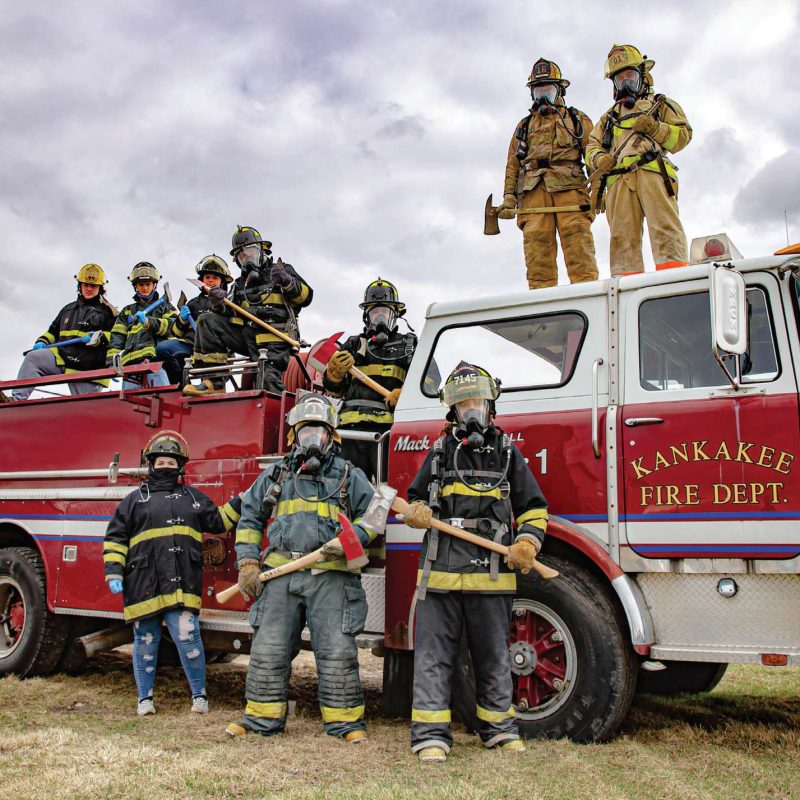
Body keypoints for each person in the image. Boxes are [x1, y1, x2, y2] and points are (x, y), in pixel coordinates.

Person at [401, 362, 548, 762]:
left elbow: (533, 507)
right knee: (433, 658)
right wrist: (415, 511)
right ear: (452, 411)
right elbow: (416, 500)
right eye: (463, 404)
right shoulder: (438, 453)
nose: (471, 411)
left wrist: (528, 544)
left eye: (476, 403)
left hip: (492, 578)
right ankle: (430, 735)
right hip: (441, 577)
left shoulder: (506, 454)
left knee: (494, 657)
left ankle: (499, 729)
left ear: (490, 407)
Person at [226, 392, 378, 741]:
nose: (313, 439)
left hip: (332, 576)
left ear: (331, 437)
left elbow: (374, 517)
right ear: (294, 435)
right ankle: (261, 720)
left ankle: (345, 725)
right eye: (307, 431)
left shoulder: (348, 476)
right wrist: (248, 561)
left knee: (337, 651)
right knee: (268, 650)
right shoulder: (276, 475)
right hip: (280, 577)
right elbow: (249, 517)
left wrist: (352, 538)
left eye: (320, 432)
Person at [102, 430, 242, 715]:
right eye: (160, 463)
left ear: (180, 466)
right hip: (143, 584)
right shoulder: (133, 501)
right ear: (151, 465)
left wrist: (243, 499)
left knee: (188, 637)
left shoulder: (193, 498)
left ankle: (199, 697)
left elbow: (219, 521)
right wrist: (114, 572)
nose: (165, 467)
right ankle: (145, 699)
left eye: (171, 463)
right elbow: (115, 539)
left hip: (182, 584)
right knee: (145, 641)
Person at [586, 44, 692, 274]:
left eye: (630, 76)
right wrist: (600, 159)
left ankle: (675, 284)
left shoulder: (661, 105)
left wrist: (655, 128)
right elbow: (591, 147)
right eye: (619, 78)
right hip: (618, 183)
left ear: (642, 76)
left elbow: (682, 137)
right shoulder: (608, 118)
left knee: (665, 231)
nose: (625, 83)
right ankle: (629, 296)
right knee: (622, 241)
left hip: (654, 174)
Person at [497, 58, 598, 289]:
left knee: (579, 252)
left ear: (559, 91)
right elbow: (513, 165)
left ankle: (587, 301)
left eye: (548, 90)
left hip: (571, 194)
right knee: (537, 256)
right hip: (533, 196)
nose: (543, 96)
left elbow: (593, 155)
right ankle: (544, 314)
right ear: (532, 93)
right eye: (539, 90)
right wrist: (508, 198)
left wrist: (599, 193)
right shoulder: (524, 127)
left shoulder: (576, 120)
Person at [183, 226, 312, 396]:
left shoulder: (282, 270)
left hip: (275, 339)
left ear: (261, 250)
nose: (247, 257)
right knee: (207, 319)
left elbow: (306, 297)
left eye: (250, 251)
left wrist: (288, 283)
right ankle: (213, 382)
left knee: (267, 381)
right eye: (241, 255)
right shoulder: (239, 284)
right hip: (247, 337)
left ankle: (280, 415)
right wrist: (220, 304)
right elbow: (232, 314)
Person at [322, 278, 416, 482]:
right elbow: (333, 391)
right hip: (349, 433)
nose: (380, 318)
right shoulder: (353, 345)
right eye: (375, 313)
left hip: (385, 434)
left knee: (387, 489)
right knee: (347, 489)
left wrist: (406, 396)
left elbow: (429, 383)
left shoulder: (410, 346)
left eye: (385, 312)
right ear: (367, 316)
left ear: (395, 315)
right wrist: (334, 374)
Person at [11, 264, 117, 401]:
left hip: (89, 367)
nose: (89, 289)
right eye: (86, 285)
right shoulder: (68, 309)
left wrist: (100, 338)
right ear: (80, 285)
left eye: (93, 286)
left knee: (85, 412)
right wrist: (41, 342)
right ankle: (15, 401)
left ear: (101, 288)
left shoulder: (109, 312)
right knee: (33, 357)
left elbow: (117, 337)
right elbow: (52, 332)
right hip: (63, 358)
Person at [158, 255, 234, 385]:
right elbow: (176, 333)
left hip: (217, 349)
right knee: (163, 348)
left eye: (215, 278)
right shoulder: (193, 303)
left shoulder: (230, 303)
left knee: (216, 374)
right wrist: (181, 319)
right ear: (201, 280)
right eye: (207, 277)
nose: (210, 281)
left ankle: (210, 386)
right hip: (190, 346)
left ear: (222, 282)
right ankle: (180, 386)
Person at [107, 262, 175, 389]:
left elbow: (173, 328)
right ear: (135, 286)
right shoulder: (127, 311)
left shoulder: (165, 307)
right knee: (130, 408)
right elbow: (116, 338)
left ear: (154, 285)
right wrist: (112, 363)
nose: (144, 288)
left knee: (161, 403)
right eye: (141, 284)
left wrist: (149, 322)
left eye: (148, 284)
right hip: (130, 368)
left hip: (156, 365)